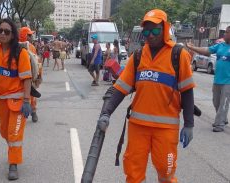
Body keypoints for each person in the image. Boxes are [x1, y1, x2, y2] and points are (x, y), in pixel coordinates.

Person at [97, 9, 195, 182]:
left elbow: (187, 91)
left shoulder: (179, 55)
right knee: (133, 172)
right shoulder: (138, 56)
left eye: (155, 30)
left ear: (165, 29)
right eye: (147, 31)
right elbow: (120, 89)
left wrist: (189, 124)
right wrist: (107, 113)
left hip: (166, 129)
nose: (150, 35)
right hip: (138, 126)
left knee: (166, 172)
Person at [0, 18, 32, 181]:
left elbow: (27, 79)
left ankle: (13, 164)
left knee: (14, 134)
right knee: (5, 131)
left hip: (18, 101)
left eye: (7, 31)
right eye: (0, 31)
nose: (2, 34)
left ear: (12, 35)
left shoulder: (20, 53)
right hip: (1, 100)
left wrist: (27, 101)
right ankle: (13, 153)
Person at [186, 25, 230, 132]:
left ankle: (219, 124)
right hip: (217, 80)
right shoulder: (220, 46)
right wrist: (192, 47)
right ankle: (223, 118)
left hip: (228, 82)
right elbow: (206, 50)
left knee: (224, 103)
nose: (224, 34)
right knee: (216, 102)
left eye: (227, 32)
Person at [19, 26, 40, 122]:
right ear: (25, 36)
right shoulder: (15, 46)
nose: (31, 37)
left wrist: (38, 76)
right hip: (19, 77)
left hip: (30, 77)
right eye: (29, 35)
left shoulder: (32, 47)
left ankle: (34, 112)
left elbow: (36, 62)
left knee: (32, 96)